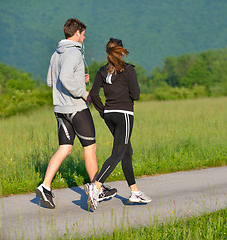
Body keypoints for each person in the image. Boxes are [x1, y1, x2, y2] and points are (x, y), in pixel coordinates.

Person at [35, 18, 116, 209]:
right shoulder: (73, 53)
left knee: (65, 148)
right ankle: (98, 188)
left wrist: (79, 78)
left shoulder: (56, 54)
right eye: (84, 33)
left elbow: (51, 81)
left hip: (60, 109)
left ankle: (45, 186)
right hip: (77, 108)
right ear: (77, 33)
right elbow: (64, 77)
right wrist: (83, 92)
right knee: (90, 148)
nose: (85, 37)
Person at [86, 38, 152, 210]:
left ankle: (135, 191)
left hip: (109, 115)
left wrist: (103, 112)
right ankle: (96, 186)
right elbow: (136, 95)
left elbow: (93, 94)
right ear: (122, 52)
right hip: (124, 115)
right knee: (118, 153)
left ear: (107, 53)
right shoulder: (128, 70)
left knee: (126, 151)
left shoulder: (101, 71)